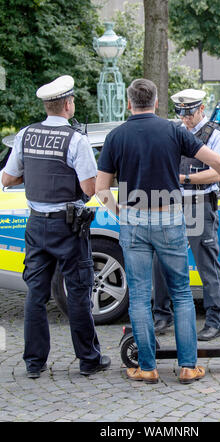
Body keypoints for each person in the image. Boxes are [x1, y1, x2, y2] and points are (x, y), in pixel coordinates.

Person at [96, 78, 220, 384]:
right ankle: (188, 366)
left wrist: (120, 213)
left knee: (140, 297)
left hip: (134, 219)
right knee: (180, 293)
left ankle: (148, 367)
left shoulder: (116, 136)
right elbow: (217, 160)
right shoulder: (173, 130)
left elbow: (101, 189)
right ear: (156, 102)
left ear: (129, 103)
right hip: (169, 218)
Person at [1, 75, 111, 378]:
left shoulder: (25, 135)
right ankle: (89, 360)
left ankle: (34, 363)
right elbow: (89, 188)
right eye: (72, 100)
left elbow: (7, 179)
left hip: (36, 226)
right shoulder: (76, 140)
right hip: (68, 228)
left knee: (36, 294)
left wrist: (35, 176)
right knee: (77, 292)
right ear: (67, 104)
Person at [153, 89, 220, 341]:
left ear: (201, 110)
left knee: (206, 263)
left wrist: (185, 178)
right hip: (171, 203)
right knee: (161, 261)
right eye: (181, 114)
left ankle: (215, 320)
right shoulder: (175, 132)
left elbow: (219, 173)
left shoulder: (216, 135)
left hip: (199, 202)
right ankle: (161, 316)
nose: (185, 119)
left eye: (189, 114)